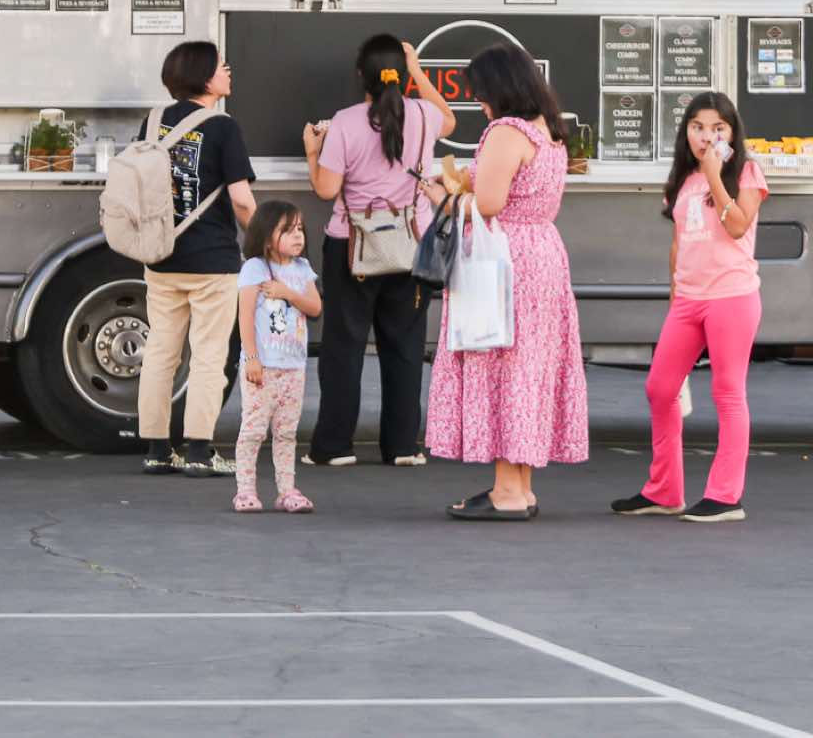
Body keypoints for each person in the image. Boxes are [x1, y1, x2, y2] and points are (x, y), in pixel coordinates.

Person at [424, 44, 588, 520]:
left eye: (480, 92)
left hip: (504, 257)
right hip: (544, 254)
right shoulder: (548, 131)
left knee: (502, 365)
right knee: (529, 369)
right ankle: (521, 486)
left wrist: (441, 196)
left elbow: (489, 204)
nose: (479, 102)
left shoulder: (505, 132)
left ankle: (507, 492)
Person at [302, 36, 457, 467]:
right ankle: (403, 446)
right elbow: (449, 119)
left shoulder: (345, 122)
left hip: (352, 246)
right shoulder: (424, 115)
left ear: (361, 77)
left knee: (344, 348)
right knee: (405, 347)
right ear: (402, 76)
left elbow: (326, 189)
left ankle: (334, 447)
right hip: (412, 245)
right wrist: (418, 71)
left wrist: (313, 152)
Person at [613, 93, 767, 524]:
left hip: (731, 298)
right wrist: (674, 296)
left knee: (728, 392)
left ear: (732, 133)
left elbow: (737, 226)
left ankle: (725, 496)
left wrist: (716, 176)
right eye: (698, 127)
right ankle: (664, 490)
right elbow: (678, 243)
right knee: (660, 388)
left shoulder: (746, 172)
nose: (706, 137)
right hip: (688, 300)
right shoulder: (683, 179)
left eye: (718, 128)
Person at [136, 41, 257, 479]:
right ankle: (200, 451)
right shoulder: (223, 127)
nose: (228, 71)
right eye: (221, 66)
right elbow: (241, 199)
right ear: (205, 78)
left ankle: (156, 449)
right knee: (208, 356)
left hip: (160, 256)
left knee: (160, 353)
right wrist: (263, 237)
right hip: (212, 261)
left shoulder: (152, 122)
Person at [234, 201, 323, 513]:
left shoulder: (302, 269)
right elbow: (245, 316)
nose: (298, 236)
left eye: (299, 229)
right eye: (287, 230)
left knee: (286, 432)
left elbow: (315, 307)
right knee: (253, 430)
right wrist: (251, 358)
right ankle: (245, 490)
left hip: (293, 366)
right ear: (267, 237)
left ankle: (287, 490)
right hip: (264, 366)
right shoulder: (255, 269)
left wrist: (287, 293)